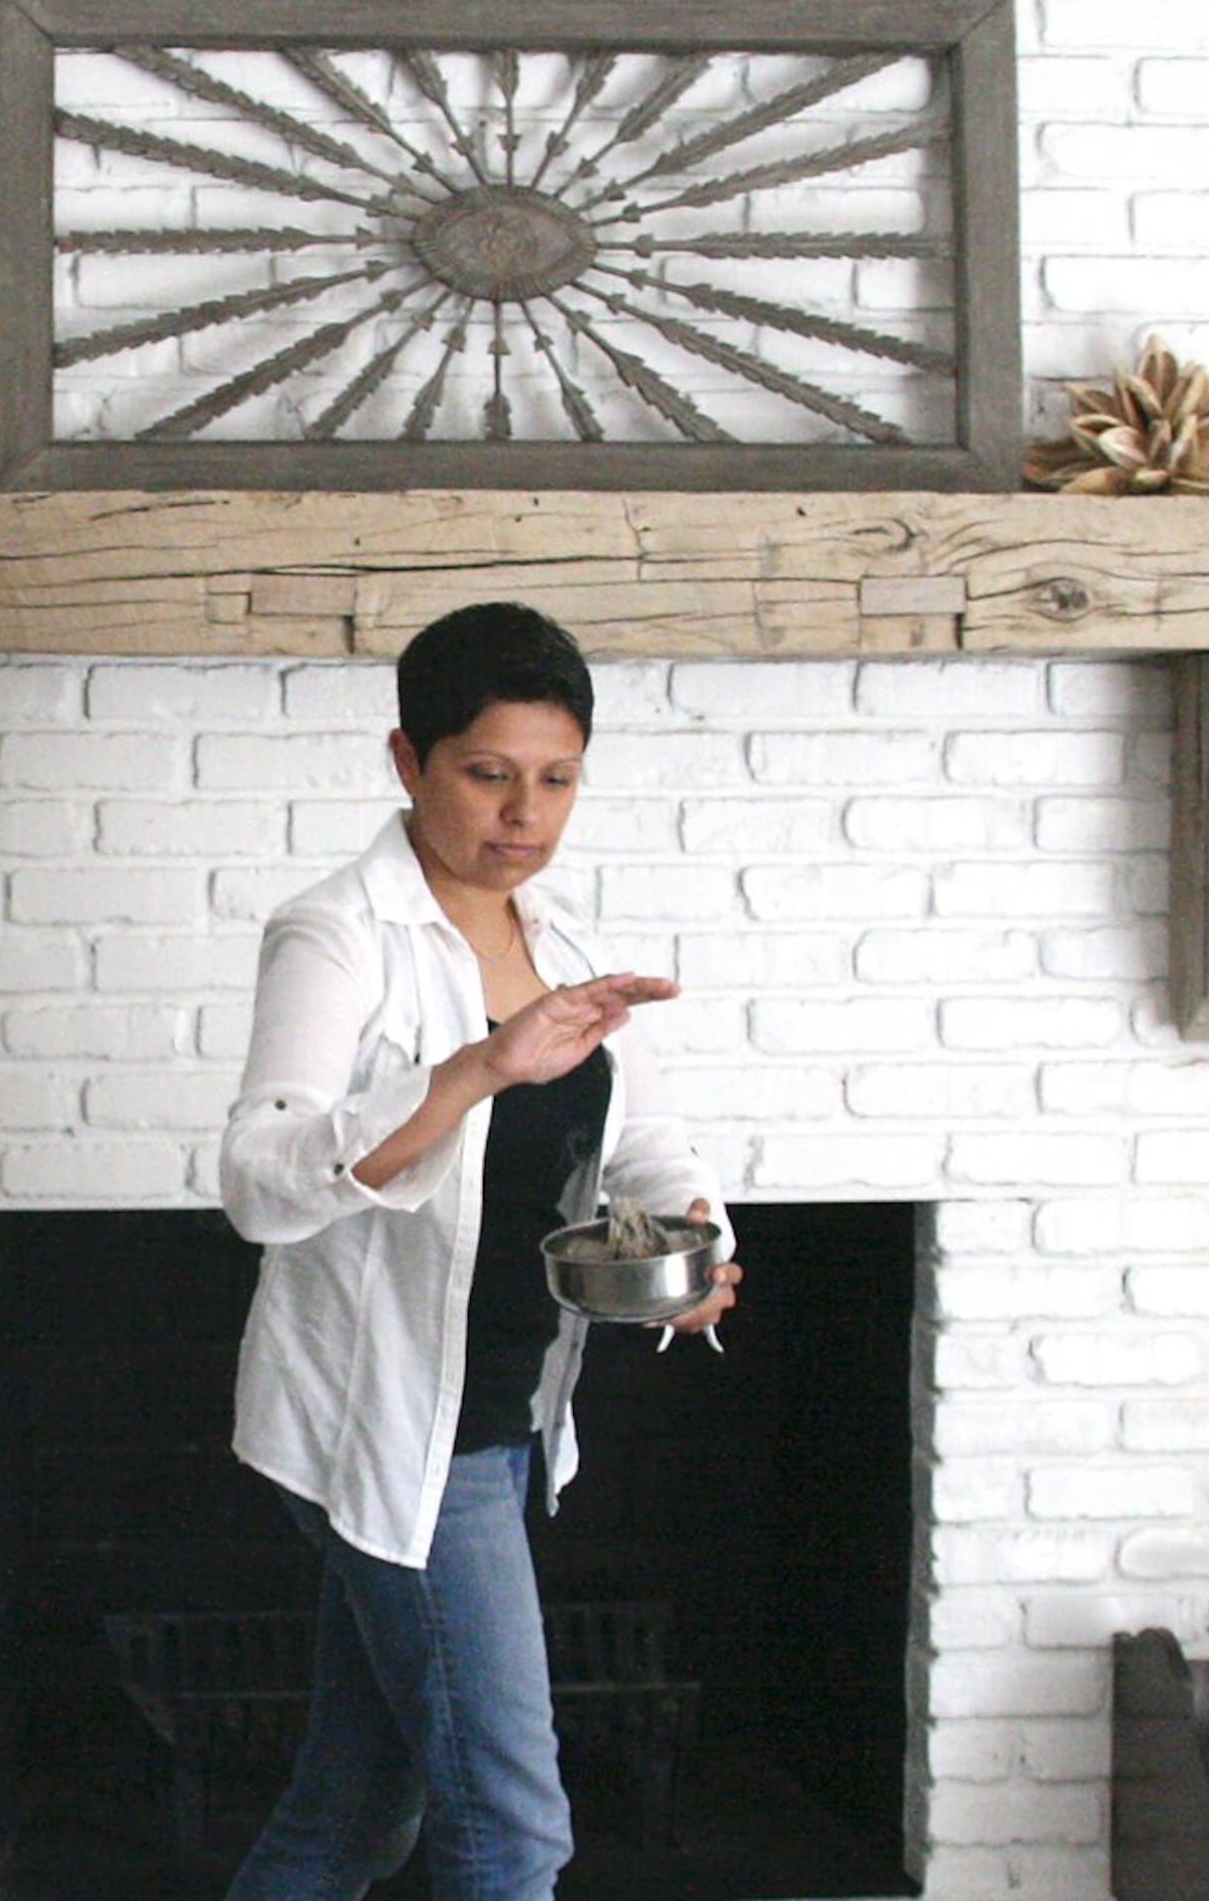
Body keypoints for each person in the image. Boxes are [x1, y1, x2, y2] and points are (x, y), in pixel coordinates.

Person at [217, 600, 743, 1901]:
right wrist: (471, 1071)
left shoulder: (556, 942)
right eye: (488, 774)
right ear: (410, 762)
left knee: (354, 1816)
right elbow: (259, 1180)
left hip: (503, 1422)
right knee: (515, 1834)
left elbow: (645, 1141)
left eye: (556, 778)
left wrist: (696, 1243)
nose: (526, 815)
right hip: (397, 1435)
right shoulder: (336, 935)